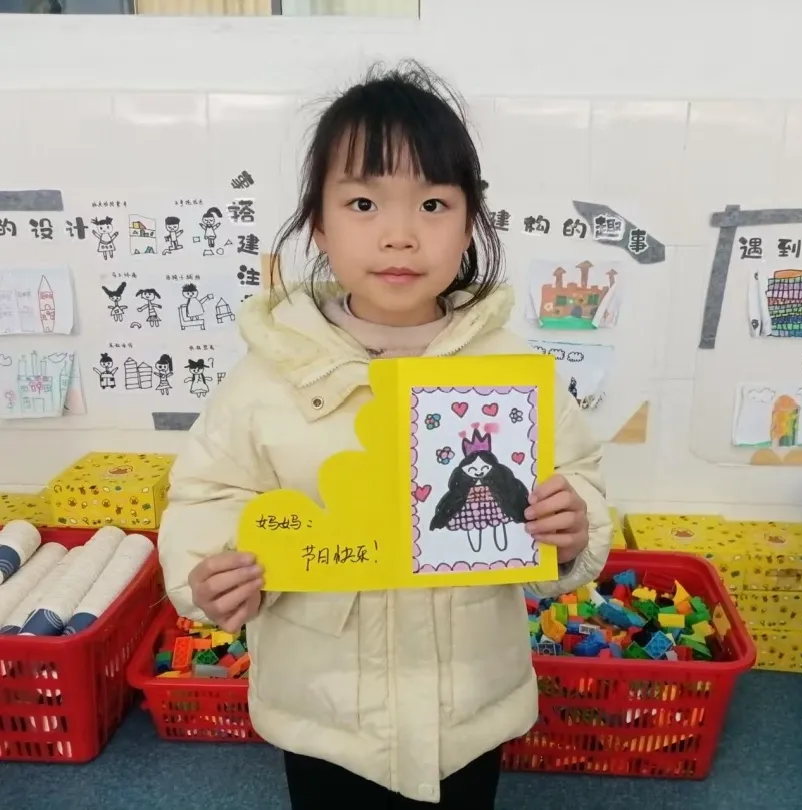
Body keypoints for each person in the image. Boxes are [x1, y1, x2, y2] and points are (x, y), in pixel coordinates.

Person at [158, 62, 612, 809]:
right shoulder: (268, 374)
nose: (400, 235)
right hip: (325, 712)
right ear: (319, 224)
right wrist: (209, 573)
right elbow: (207, 494)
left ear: (469, 224)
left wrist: (571, 527)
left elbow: (578, 477)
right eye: (363, 203)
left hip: (468, 708)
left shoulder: (511, 372)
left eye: (433, 204)